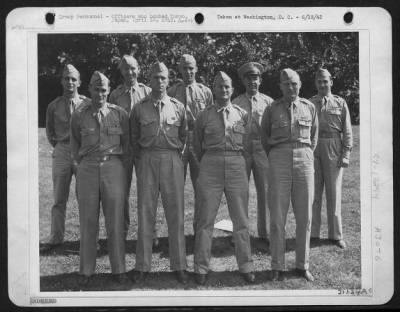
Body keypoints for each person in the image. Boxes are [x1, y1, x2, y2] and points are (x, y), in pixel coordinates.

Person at [193, 71, 255, 285]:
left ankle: (246, 265)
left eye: (227, 86)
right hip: (211, 164)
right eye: (219, 86)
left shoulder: (242, 114)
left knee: (241, 220)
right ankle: (201, 267)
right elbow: (196, 145)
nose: (223, 90)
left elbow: (247, 146)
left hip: (237, 163)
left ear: (232, 89)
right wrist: (210, 160)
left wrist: (237, 163)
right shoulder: (204, 115)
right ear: (213, 89)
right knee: (205, 219)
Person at [130, 62, 188, 284]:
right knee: (146, 213)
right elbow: (133, 136)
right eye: (155, 78)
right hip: (147, 158)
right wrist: (143, 156)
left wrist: (176, 156)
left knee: (176, 213)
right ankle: (142, 266)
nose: (160, 82)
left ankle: (179, 265)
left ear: (168, 80)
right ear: (150, 80)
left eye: (163, 78)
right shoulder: (139, 108)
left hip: (172, 158)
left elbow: (184, 134)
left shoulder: (178, 106)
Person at [70, 71, 130, 286]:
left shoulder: (120, 113)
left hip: (113, 165)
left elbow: (128, 144)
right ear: (90, 90)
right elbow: (75, 143)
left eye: (104, 90)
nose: (100, 93)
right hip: (87, 167)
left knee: (115, 219)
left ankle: (119, 269)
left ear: (108, 91)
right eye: (96, 89)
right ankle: (86, 270)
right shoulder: (79, 114)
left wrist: (118, 166)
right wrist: (81, 164)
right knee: (88, 220)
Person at [260, 68, 318, 282]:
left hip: (304, 158)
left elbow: (314, 137)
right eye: (286, 84)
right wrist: (277, 154)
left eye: (294, 84)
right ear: (280, 87)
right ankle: (277, 264)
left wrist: (304, 154)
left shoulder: (309, 107)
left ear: (300, 85)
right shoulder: (271, 109)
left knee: (305, 216)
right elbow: (264, 135)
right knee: (277, 215)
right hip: (279, 159)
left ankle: (302, 265)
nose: (291, 88)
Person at [41, 64, 87, 253]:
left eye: (73, 79)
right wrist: (61, 147)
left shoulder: (87, 104)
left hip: (83, 153)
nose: (70, 82)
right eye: (66, 78)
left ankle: (88, 239)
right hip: (62, 151)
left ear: (79, 82)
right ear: (61, 81)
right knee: (59, 198)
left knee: (86, 198)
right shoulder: (53, 106)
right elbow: (50, 132)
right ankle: (56, 238)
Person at [168, 54, 213, 235]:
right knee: (175, 187)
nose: (188, 71)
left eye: (191, 67)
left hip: (199, 140)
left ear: (196, 68)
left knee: (201, 186)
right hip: (179, 140)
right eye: (184, 68)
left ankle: (200, 229)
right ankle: (176, 230)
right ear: (180, 69)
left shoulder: (205, 92)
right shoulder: (172, 91)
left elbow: (210, 118)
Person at [109, 55, 151, 241]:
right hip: (122, 150)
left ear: (139, 70)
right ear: (121, 71)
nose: (130, 72)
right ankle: (122, 231)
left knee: (147, 191)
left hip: (143, 149)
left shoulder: (148, 93)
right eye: (126, 68)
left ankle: (149, 232)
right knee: (120, 191)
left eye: (133, 68)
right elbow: (110, 123)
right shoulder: (115, 95)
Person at [310, 68, 353, 249]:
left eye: (325, 81)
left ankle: (336, 235)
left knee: (333, 193)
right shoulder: (310, 103)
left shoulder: (340, 103)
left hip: (333, 147)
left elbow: (348, 131)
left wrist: (346, 154)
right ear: (315, 83)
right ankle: (313, 234)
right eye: (319, 81)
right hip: (314, 148)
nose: (322, 85)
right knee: (314, 193)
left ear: (331, 82)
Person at [232, 62, 273, 244]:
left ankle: (265, 233)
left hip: (262, 149)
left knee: (265, 191)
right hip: (242, 150)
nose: (252, 82)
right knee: (240, 192)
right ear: (243, 81)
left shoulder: (269, 103)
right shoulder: (236, 102)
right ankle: (240, 233)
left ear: (260, 80)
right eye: (248, 79)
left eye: (255, 78)